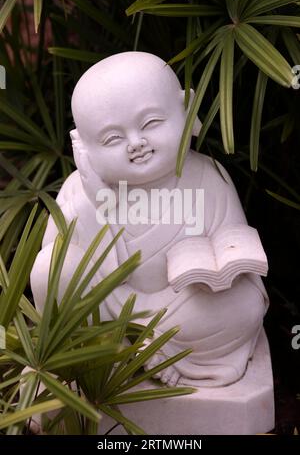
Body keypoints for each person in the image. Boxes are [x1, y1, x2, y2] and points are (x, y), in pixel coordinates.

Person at [31, 52, 268, 387]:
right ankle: (115, 354)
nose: (136, 144)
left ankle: (152, 351)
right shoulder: (78, 190)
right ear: (81, 146)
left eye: (151, 123)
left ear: (186, 109)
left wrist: (222, 271)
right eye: (112, 139)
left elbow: (232, 244)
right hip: (112, 314)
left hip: (182, 310)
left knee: (245, 304)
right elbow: (61, 265)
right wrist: (93, 200)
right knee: (49, 269)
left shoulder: (210, 176)